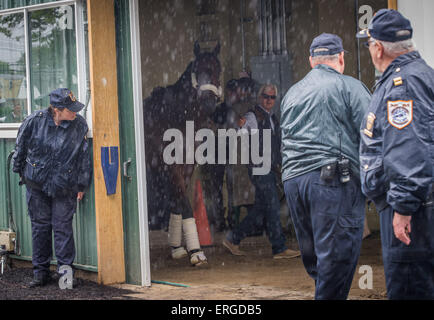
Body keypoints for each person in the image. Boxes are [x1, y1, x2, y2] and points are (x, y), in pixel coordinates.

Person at [280, 33, 371, 299]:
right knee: (336, 262)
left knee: (319, 264)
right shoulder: (350, 87)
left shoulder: (292, 93)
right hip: (331, 183)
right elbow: (373, 134)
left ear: (311, 61)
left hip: (294, 184)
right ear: (341, 58)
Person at [357, 9, 434, 299]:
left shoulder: (403, 85)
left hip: (412, 212)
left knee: (408, 286)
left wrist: (402, 208)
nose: (369, 50)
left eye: (369, 44)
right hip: (418, 204)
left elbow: (409, 149)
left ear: (378, 47)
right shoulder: (417, 75)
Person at [12, 88, 92, 288]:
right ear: (57, 109)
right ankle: (41, 274)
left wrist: (81, 184)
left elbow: (84, 158)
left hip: (65, 186)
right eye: (70, 109)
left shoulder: (79, 125)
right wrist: (22, 173)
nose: (75, 113)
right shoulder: (34, 121)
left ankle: (66, 276)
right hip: (36, 185)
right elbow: (20, 148)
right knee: (40, 228)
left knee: (63, 228)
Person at [223, 83, 300, 259]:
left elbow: (277, 145)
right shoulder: (252, 116)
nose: (269, 100)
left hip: (270, 168)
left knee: (260, 210)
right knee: (272, 205)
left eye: (272, 97)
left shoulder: (273, 118)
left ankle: (232, 239)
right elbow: (239, 131)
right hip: (259, 168)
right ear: (260, 97)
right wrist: (238, 126)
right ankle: (279, 248)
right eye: (266, 96)